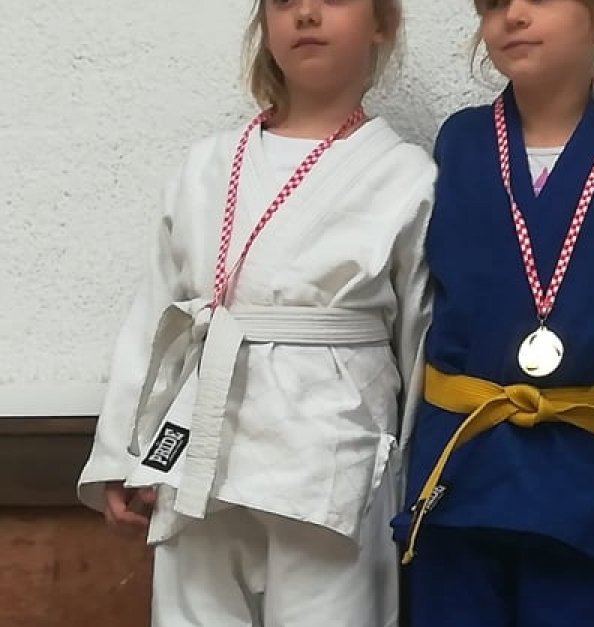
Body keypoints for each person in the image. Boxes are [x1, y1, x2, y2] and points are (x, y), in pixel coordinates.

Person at [75, 1, 435, 625]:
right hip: (200, 458)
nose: (306, 14)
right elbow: (159, 315)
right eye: (285, 1)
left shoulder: (406, 176)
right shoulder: (206, 166)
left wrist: (412, 477)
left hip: (329, 460)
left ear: (382, 24)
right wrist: (124, 451)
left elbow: (420, 340)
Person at [388, 1, 594, 626]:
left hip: (586, 473)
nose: (513, 15)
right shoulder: (461, 141)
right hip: (463, 460)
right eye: (495, 3)